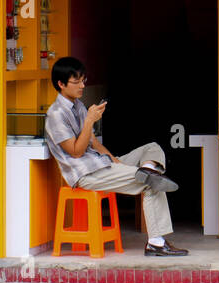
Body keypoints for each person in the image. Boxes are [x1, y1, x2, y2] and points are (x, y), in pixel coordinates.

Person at [44, 56, 188, 257]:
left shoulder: (78, 106)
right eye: (76, 82)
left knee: (152, 148)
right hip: (86, 174)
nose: (82, 85)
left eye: (83, 80)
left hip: (101, 163)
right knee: (151, 183)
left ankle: (148, 169)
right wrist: (89, 121)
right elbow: (76, 151)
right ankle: (156, 242)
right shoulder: (56, 115)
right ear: (61, 84)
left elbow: (94, 143)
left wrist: (114, 159)